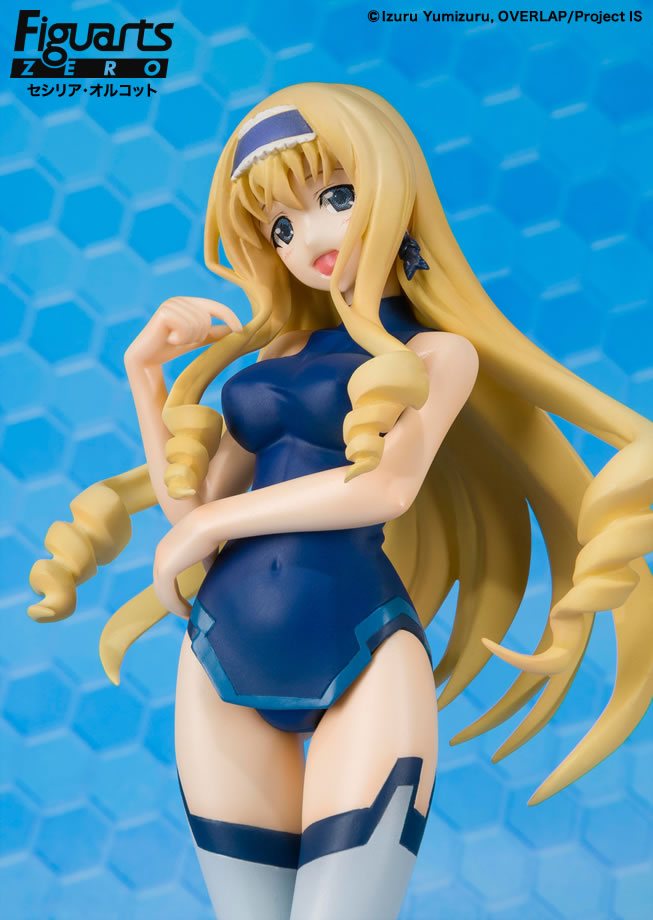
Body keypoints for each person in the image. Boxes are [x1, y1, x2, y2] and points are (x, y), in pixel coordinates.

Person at [28, 83, 653, 920]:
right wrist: (143, 377)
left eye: (335, 198)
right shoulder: (272, 356)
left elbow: (384, 487)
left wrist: (213, 522)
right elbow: (188, 514)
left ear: (391, 189)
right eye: (281, 227)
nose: (311, 238)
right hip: (217, 655)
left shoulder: (438, 353)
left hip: (364, 653)